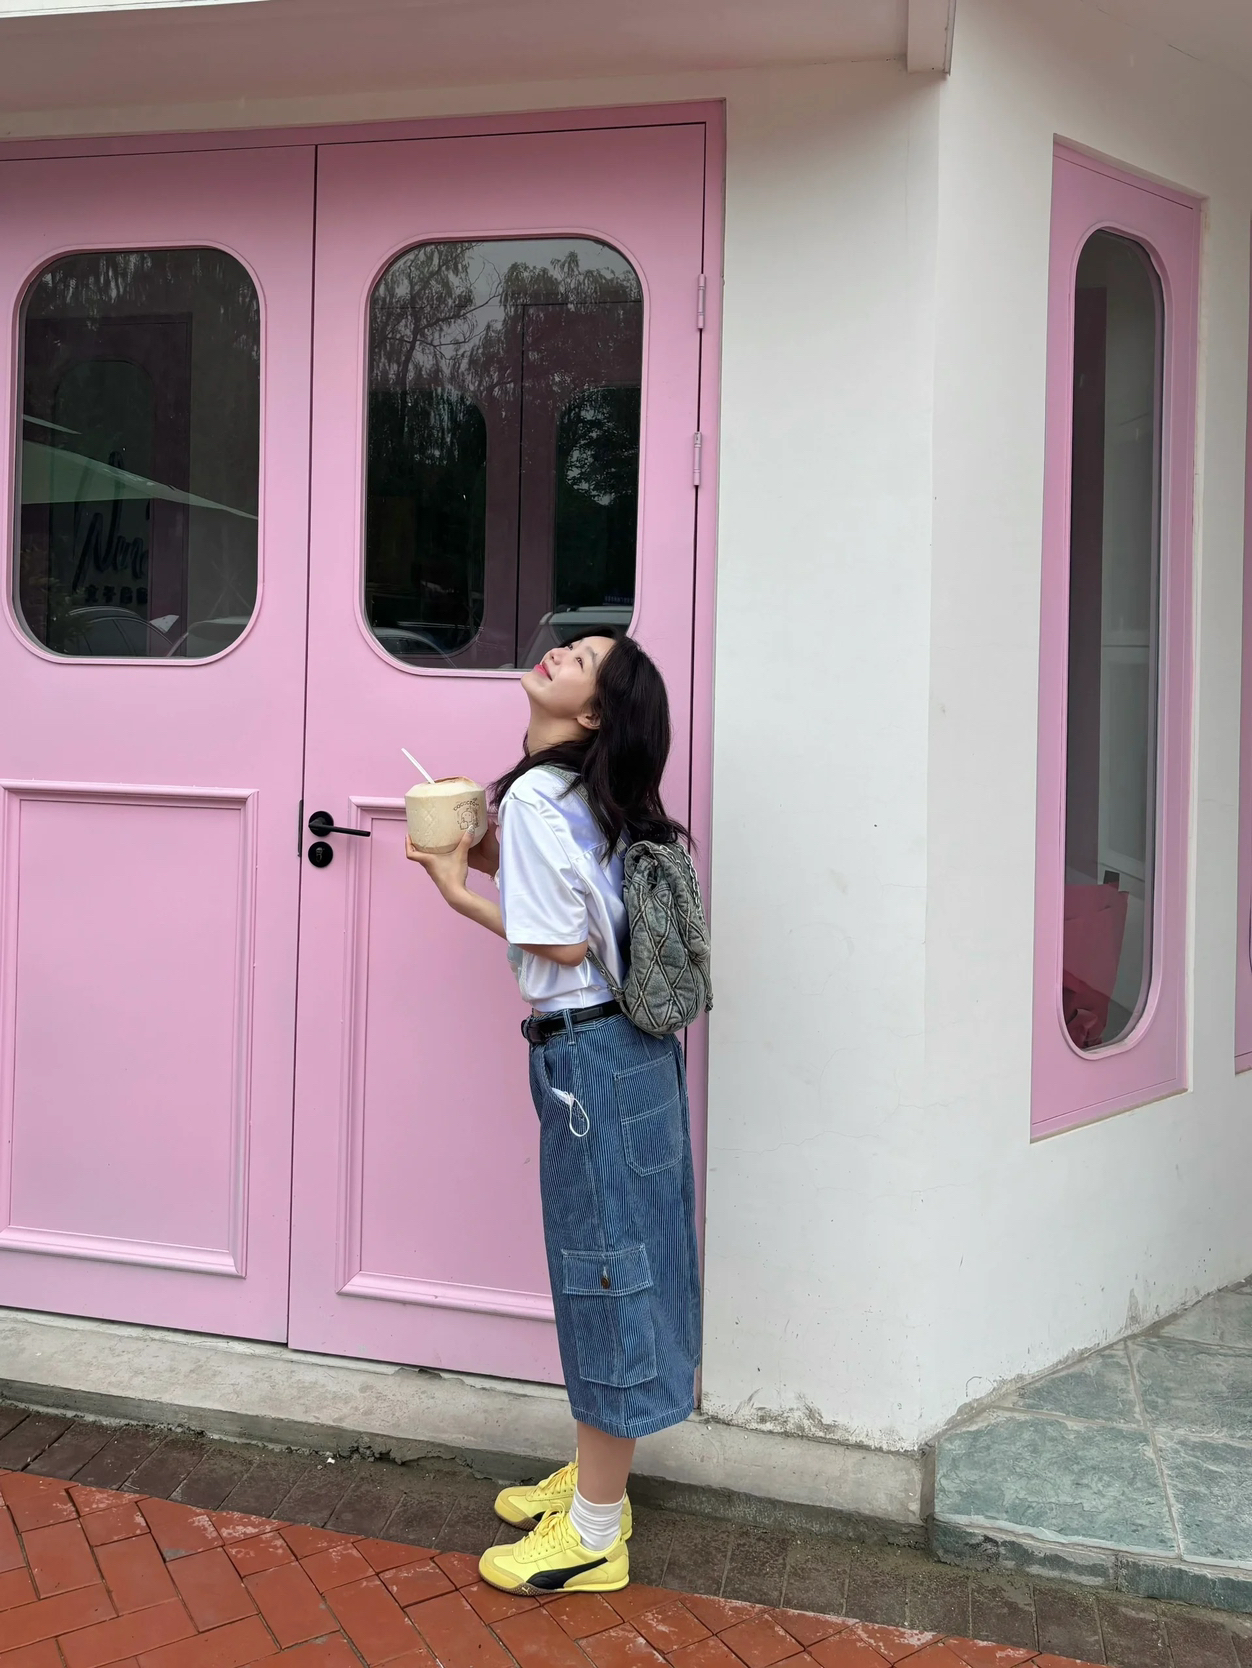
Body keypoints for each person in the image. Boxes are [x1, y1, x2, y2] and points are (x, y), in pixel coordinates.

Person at [405, 629, 701, 1597]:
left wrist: (454, 889)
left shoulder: (540, 796)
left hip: (589, 1056)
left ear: (595, 711)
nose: (561, 653)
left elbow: (561, 945)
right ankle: (596, 1478)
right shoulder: (579, 792)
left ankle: (594, 1535)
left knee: (604, 1271)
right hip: (631, 1054)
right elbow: (577, 907)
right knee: (619, 1261)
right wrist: (491, 854)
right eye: (571, 645)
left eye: (583, 659)